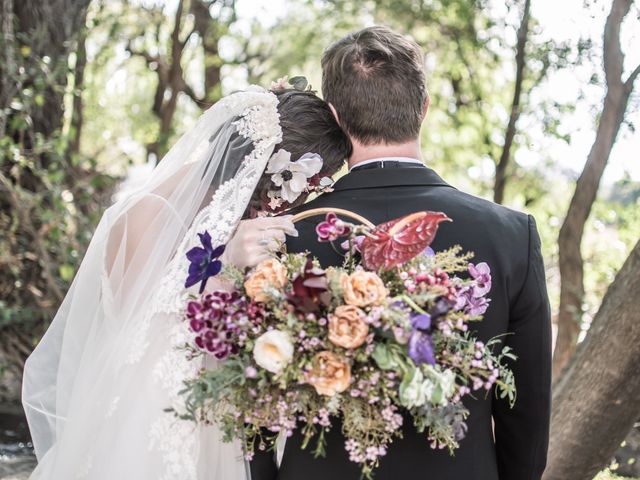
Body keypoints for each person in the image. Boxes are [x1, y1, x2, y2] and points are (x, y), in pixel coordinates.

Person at [250, 26, 552, 480]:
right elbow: (525, 417)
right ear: (424, 108)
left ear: (335, 116)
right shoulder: (510, 236)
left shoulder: (280, 238)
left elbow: (253, 410)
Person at [21, 84, 351, 480]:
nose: (303, 204)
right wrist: (223, 263)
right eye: (309, 188)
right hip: (144, 426)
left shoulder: (239, 228)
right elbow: (139, 341)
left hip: (215, 420)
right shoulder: (145, 215)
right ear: (276, 173)